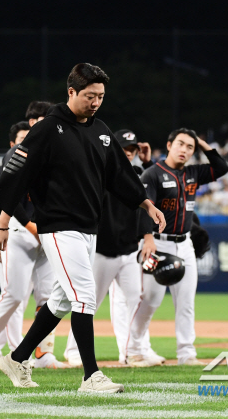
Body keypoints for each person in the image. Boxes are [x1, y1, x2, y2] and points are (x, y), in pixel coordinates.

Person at [0, 63, 166, 393]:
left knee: (61, 301)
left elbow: (120, 175)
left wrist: (147, 204)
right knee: (84, 297)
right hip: (57, 226)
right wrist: (2, 223)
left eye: (100, 96)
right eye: (89, 95)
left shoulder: (100, 130)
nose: (96, 102)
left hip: (88, 228)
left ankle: (17, 357)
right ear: (71, 92)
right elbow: (16, 175)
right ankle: (91, 376)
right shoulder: (47, 129)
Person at [126, 128, 228, 367]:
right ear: (169, 144)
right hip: (158, 242)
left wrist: (201, 143)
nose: (184, 150)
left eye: (189, 147)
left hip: (185, 244)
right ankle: (133, 349)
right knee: (150, 299)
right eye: (180, 144)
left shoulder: (193, 173)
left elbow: (221, 167)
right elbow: (145, 206)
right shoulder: (153, 173)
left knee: (186, 302)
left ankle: (186, 354)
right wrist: (148, 238)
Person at [63, 129, 160, 367]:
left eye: (132, 151)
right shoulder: (98, 173)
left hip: (128, 251)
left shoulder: (138, 175)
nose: (128, 154)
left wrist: (148, 236)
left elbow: (147, 204)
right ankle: (73, 350)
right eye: (124, 150)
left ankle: (133, 351)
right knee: (88, 302)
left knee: (136, 300)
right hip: (101, 251)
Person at [0, 120, 67, 370]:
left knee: (48, 298)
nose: (27, 141)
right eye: (22, 137)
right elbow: (6, 198)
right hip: (17, 230)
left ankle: (42, 354)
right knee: (14, 295)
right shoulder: (12, 157)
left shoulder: (50, 158)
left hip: (45, 231)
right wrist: (1, 230)